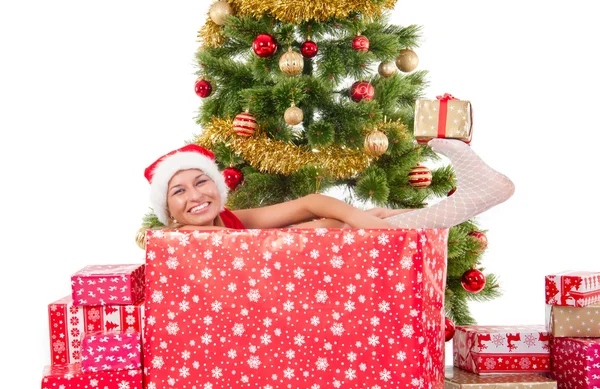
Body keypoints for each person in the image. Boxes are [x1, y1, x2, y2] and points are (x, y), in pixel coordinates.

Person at [144, 139, 514, 231]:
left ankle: (472, 198)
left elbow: (308, 202)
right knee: (344, 228)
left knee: (370, 217)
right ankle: (473, 199)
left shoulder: (228, 219)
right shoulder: (179, 241)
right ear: (168, 211)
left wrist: (362, 220)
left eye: (201, 181)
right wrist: (338, 225)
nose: (195, 195)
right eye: (178, 191)